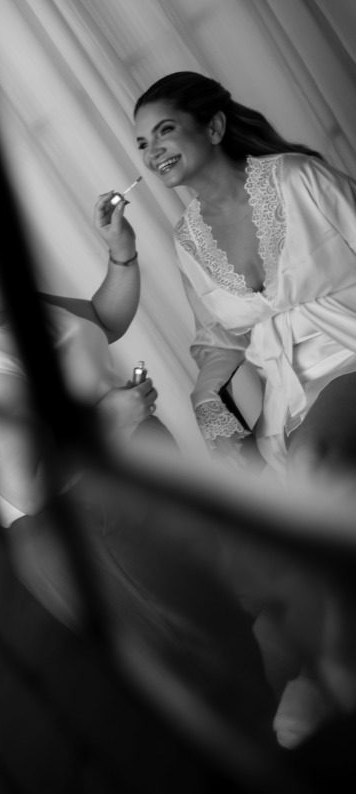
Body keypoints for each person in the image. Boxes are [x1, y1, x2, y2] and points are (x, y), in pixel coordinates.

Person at [0, 208, 276, 739]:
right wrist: (106, 421)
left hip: (130, 499)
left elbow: (104, 318)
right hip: (93, 529)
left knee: (226, 621)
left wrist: (122, 253)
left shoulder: (18, 309)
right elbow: (25, 490)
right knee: (203, 660)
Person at [121, 71, 356, 493]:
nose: (153, 152)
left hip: (348, 350)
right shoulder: (188, 239)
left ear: (213, 127)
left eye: (165, 131)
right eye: (142, 144)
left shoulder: (299, 177)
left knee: (310, 461)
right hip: (290, 392)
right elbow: (216, 337)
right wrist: (207, 400)